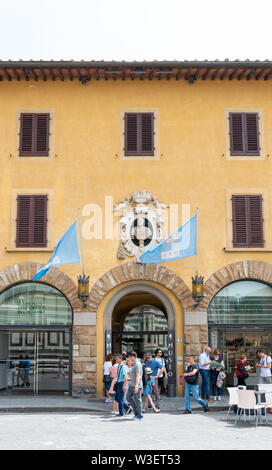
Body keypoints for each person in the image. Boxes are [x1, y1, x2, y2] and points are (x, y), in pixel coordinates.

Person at [126, 351, 144, 420]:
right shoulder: (134, 364)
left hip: (136, 385)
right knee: (128, 397)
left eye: (130, 357)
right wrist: (130, 372)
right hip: (132, 384)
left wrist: (136, 386)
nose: (129, 358)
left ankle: (139, 415)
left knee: (138, 400)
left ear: (133, 356)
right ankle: (136, 412)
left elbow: (138, 376)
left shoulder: (138, 364)